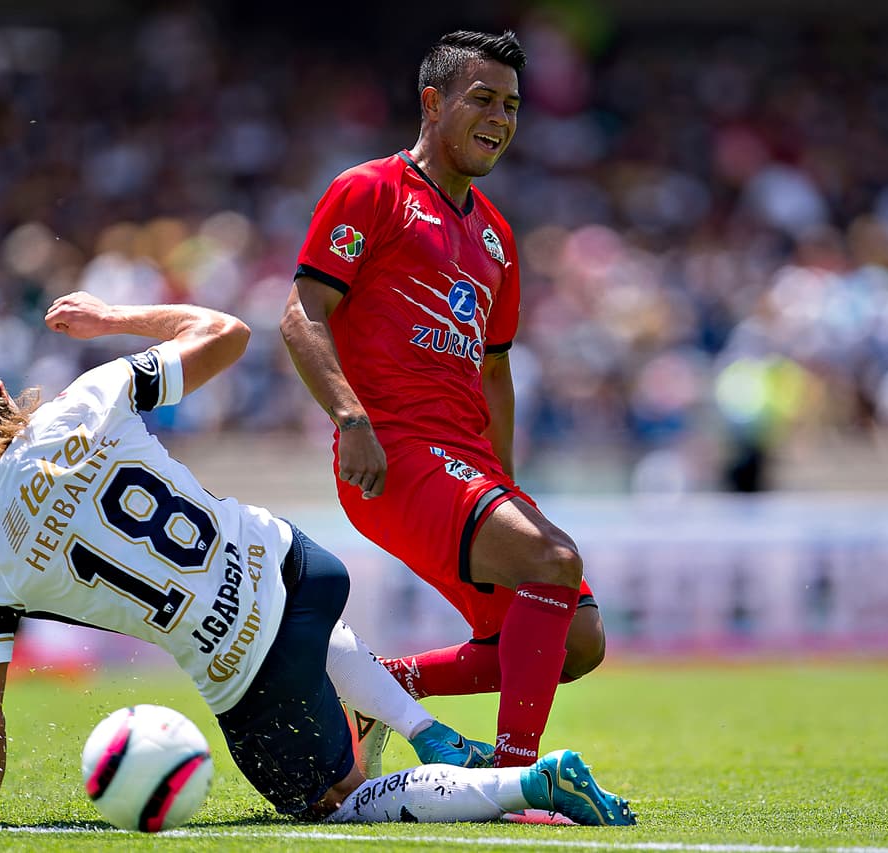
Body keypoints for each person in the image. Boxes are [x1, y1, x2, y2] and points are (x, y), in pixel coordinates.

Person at [0, 291, 635, 827]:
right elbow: (224, 331)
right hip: (297, 564)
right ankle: (426, 730)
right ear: (1, 390)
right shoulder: (85, 398)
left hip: (246, 666)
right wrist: (111, 318)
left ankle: (529, 783)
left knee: (342, 806)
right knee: (289, 623)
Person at [280, 30, 607, 769]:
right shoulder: (370, 190)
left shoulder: (496, 236)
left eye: (513, 106)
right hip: (394, 454)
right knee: (554, 560)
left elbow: (495, 371)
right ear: (433, 102)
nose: (500, 118)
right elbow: (302, 313)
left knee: (578, 641)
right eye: (483, 99)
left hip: (468, 465)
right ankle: (516, 777)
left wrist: (507, 482)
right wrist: (350, 418)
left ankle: (379, 688)